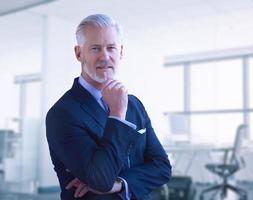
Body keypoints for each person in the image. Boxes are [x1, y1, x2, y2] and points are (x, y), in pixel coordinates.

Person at [46, 14, 171, 200]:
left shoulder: (134, 104)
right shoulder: (62, 114)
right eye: (95, 48)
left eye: (111, 48)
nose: (105, 57)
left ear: (121, 52)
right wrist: (118, 114)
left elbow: (162, 167)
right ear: (79, 53)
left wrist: (120, 184)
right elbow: (101, 180)